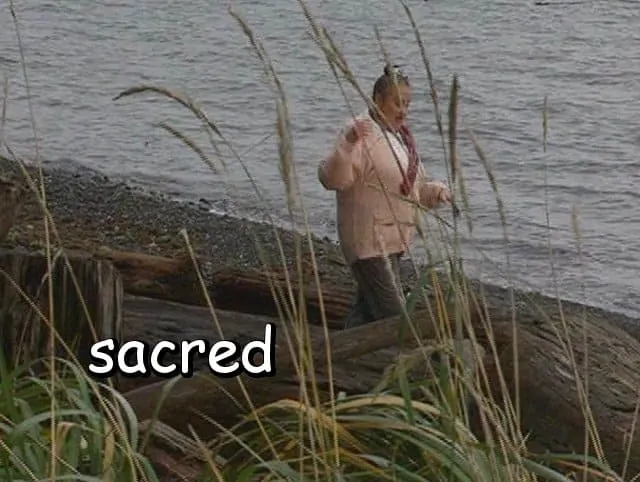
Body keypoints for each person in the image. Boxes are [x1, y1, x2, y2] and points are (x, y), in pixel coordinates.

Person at [317, 64, 452, 328]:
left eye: (408, 104)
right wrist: (348, 144)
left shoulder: (402, 138)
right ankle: (415, 363)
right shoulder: (360, 131)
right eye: (398, 103)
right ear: (378, 100)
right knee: (394, 318)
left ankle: (338, 355)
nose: (404, 110)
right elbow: (333, 179)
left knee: (366, 312)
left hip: (395, 240)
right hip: (368, 242)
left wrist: (435, 192)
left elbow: (411, 188)